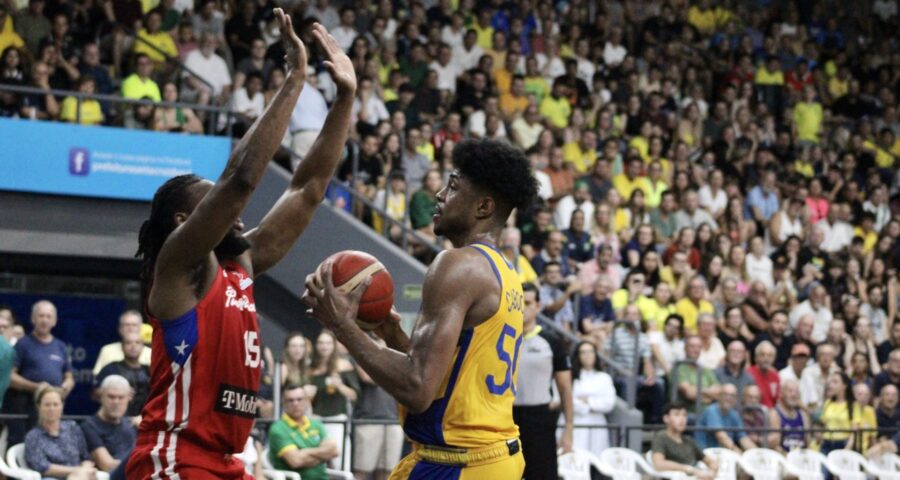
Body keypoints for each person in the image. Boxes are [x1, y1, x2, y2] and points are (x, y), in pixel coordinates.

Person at [126, 15, 357, 479]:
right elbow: (241, 179)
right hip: (177, 457)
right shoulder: (179, 264)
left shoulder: (241, 261)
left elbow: (308, 188)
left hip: (227, 460)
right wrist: (295, 80)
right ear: (183, 221)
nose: (239, 215)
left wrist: (345, 99)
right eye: (218, 207)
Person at [302, 138, 538, 479]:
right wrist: (393, 336)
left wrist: (342, 326)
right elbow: (442, 376)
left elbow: (417, 389)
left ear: (483, 207)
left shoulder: (457, 265)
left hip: (460, 462)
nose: (440, 194)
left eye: (453, 186)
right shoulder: (505, 272)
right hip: (490, 458)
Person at [513, 282, 574, 479]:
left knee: (542, 474)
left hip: (539, 418)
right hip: (505, 418)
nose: (522, 307)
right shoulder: (501, 339)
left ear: (538, 306)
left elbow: (565, 388)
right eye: (518, 302)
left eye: (528, 302)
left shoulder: (551, 341)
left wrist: (568, 429)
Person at [7, 300, 74, 446]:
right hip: (26, 410)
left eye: (48, 316)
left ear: (54, 321)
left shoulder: (60, 346)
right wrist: (36, 387)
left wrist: (67, 385)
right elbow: (10, 377)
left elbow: (69, 375)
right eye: (41, 316)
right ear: (33, 319)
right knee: (23, 446)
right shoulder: (22, 344)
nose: (44, 320)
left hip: (52, 411)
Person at [352, 335, 403, 480]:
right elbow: (367, 378)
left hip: (393, 420)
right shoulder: (361, 356)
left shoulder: (396, 360)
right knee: (362, 470)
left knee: (388, 471)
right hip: (369, 419)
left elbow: (402, 379)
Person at [267, 384, 339, 480]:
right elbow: (296, 461)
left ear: (306, 401)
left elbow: (334, 451)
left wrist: (306, 452)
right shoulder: (278, 428)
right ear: (283, 403)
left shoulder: (315, 424)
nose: (295, 403)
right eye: (290, 400)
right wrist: (323, 454)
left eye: (299, 399)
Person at [25, 386, 97, 480]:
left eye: (55, 404)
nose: (51, 409)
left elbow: (85, 457)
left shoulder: (72, 428)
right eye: (47, 405)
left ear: (62, 406)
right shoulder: (33, 437)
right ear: (39, 407)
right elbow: (43, 467)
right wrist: (76, 470)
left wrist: (85, 469)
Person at [82, 375, 136, 478]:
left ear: (129, 398)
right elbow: (107, 464)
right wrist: (139, 463)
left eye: (121, 397)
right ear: (101, 396)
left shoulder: (133, 424)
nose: (116, 402)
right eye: (111, 397)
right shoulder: (89, 426)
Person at [651, 403, 718, 479]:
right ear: (666, 418)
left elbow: (709, 461)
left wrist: (712, 471)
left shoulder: (689, 440)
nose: (682, 419)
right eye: (677, 415)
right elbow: (659, 464)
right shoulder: (661, 437)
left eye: (684, 415)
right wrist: (689, 469)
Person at [570, 341, 615, 452]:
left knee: (597, 456)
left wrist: (588, 401)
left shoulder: (604, 377)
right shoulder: (570, 377)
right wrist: (585, 405)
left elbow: (609, 403)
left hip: (597, 423)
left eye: (591, 352)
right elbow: (567, 400)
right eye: (583, 352)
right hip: (575, 422)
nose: (587, 355)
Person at [695, 383, 757, 452]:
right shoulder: (712, 411)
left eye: (732, 396)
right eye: (725, 394)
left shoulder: (733, 414)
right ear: (719, 396)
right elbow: (722, 438)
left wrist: (756, 453)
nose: (729, 398)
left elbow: (743, 438)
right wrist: (741, 455)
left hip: (724, 455)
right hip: (707, 454)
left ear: (736, 399)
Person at [93, 310, 151, 375]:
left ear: (141, 328)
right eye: (127, 325)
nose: (130, 328)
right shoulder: (107, 350)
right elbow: (98, 377)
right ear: (120, 328)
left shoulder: (150, 353)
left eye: (134, 325)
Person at [767, 378, 810, 453]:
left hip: (800, 457)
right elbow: (774, 445)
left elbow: (808, 443)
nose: (794, 394)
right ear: (782, 393)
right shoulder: (775, 414)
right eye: (790, 391)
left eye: (796, 392)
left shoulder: (803, 415)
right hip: (783, 458)